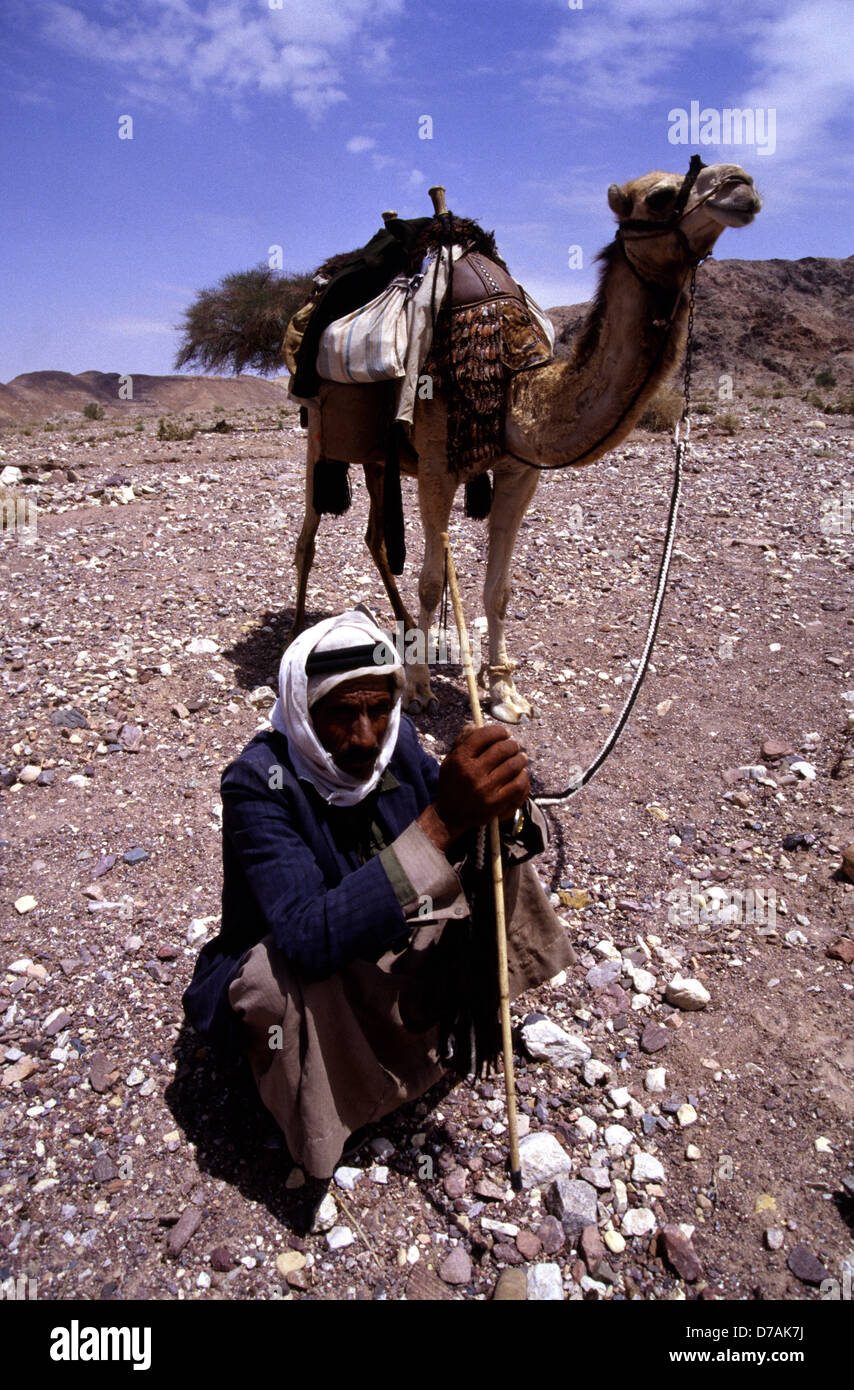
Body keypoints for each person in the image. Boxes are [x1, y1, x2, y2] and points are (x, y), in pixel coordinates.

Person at [182, 609, 574, 1179]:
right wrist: (442, 821)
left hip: (388, 940)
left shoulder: (397, 742)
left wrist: (500, 805)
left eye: (379, 708)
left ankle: (449, 1031)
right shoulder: (260, 784)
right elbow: (310, 937)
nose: (365, 736)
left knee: (492, 845)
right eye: (341, 714)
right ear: (301, 706)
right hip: (327, 975)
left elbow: (452, 841)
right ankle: (336, 1105)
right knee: (271, 982)